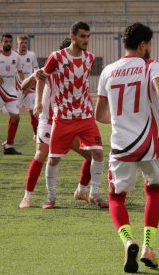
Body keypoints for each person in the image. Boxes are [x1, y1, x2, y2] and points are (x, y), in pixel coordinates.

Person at [95, 22, 159, 273]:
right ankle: (148, 247)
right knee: (153, 190)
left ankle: (128, 241)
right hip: (151, 143)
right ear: (143, 45)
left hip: (121, 144)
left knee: (116, 197)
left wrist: (121, 120)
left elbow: (99, 114)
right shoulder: (151, 65)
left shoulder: (108, 71)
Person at [35, 21, 107, 209]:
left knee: (98, 153)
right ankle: (51, 197)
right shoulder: (56, 57)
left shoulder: (90, 57)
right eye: (82, 36)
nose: (86, 40)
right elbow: (41, 77)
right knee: (53, 158)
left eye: (88, 36)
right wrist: (38, 102)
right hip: (63, 118)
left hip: (85, 116)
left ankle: (94, 194)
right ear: (72, 36)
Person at [19, 38, 94, 209]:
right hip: (49, 121)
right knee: (41, 154)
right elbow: (26, 85)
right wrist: (38, 100)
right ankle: (27, 197)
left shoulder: (81, 69)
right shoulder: (51, 68)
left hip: (69, 121)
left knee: (92, 155)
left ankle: (81, 190)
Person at [16, 34, 40, 137]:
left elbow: (36, 70)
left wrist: (30, 86)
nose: (24, 45)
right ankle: (10, 140)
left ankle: (37, 135)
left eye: (25, 43)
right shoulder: (13, 56)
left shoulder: (32, 55)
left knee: (33, 112)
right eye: (21, 43)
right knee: (14, 114)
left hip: (30, 88)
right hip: (17, 89)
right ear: (17, 43)